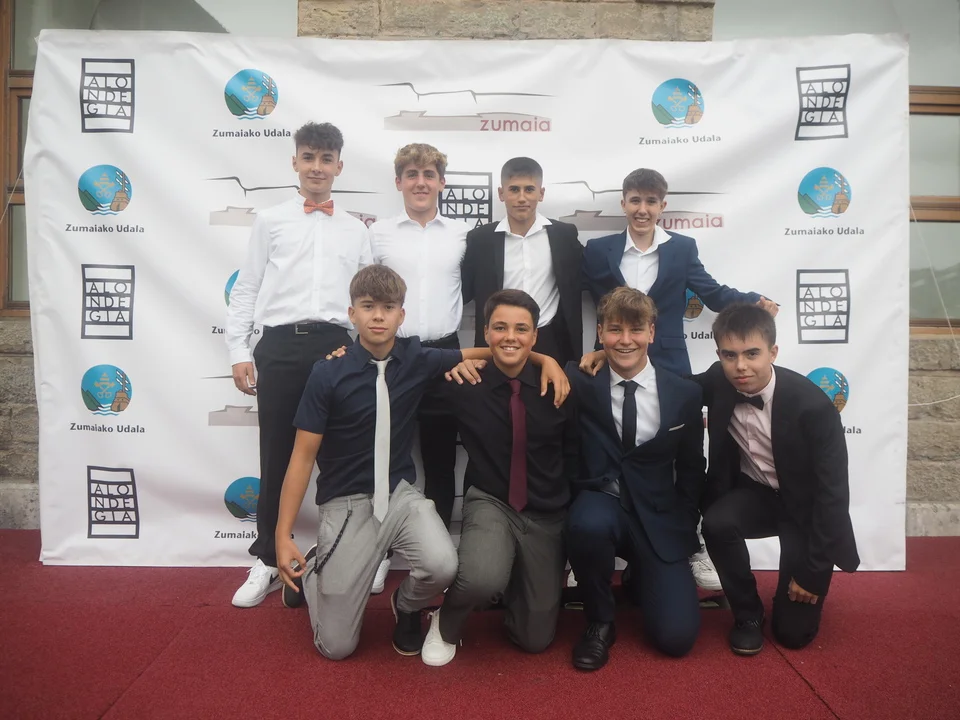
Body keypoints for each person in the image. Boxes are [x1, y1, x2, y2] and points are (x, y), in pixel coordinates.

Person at [275, 265, 570, 660]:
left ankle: (407, 606)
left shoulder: (415, 357)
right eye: (368, 307)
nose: (378, 316)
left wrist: (546, 360)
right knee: (336, 647)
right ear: (351, 314)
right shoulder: (327, 373)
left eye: (388, 307)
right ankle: (316, 574)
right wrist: (283, 534)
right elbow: (301, 457)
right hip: (346, 502)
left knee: (444, 565)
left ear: (402, 315)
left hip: (400, 495)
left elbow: (497, 350)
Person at [581, 167, 778, 592]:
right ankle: (590, 544)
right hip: (613, 358)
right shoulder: (597, 250)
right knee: (611, 448)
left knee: (680, 456)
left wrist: (753, 302)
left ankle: (690, 541)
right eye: (635, 200)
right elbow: (569, 291)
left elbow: (712, 292)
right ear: (623, 203)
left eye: (651, 201)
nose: (642, 209)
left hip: (668, 363)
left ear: (662, 206)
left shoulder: (682, 248)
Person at [225, 122, 372, 608]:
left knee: (339, 458)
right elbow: (247, 287)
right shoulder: (270, 221)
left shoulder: (356, 229)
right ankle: (268, 557)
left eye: (326, 159)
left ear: (339, 166)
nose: (317, 167)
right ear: (295, 162)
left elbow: (365, 298)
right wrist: (238, 350)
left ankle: (339, 555)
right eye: (308, 157)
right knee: (277, 455)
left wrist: (361, 351)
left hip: (336, 348)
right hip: (280, 347)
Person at [420, 290, 577, 667]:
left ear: (535, 336)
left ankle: (517, 589)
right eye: (500, 327)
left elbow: (610, 367)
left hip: (546, 511)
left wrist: (549, 360)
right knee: (481, 579)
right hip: (492, 500)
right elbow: (401, 365)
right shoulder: (463, 381)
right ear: (486, 332)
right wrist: (343, 354)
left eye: (521, 329)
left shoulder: (559, 384)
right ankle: (445, 622)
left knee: (534, 640)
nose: (510, 337)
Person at [693, 303, 859, 656]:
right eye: (730, 355)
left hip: (807, 511)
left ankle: (796, 588)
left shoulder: (813, 407)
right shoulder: (718, 380)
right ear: (719, 355)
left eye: (752, 353)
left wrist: (813, 573)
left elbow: (832, 495)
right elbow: (670, 385)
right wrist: (605, 357)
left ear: (773, 352)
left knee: (793, 635)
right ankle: (747, 614)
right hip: (758, 497)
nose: (741, 366)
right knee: (717, 523)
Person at [565, 287, 705, 671]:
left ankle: (639, 576)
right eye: (615, 330)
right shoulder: (579, 381)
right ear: (600, 333)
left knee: (676, 639)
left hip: (657, 514)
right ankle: (599, 621)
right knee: (587, 524)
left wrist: (685, 521)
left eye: (636, 330)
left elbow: (692, 467)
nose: (625, 340)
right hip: (602, 501)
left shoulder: (685, 393)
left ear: (652, 333)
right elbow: (524, 360)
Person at [370, 143, 470, 530]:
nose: (421, 182)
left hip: (446, 357)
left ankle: (437, 546)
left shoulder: (462, 235)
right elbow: (364, 296)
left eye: (429, 175)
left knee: (440, 460)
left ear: (442, 183)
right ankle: (378, 547)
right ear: (399, 182)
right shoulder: (378, 234)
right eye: (412, 174)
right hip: (392, 355)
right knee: (385, 456)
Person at [462, 157, 583, 367]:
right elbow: (462, 291)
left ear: (541, 193)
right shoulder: (480, 239)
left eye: (529, 189)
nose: (521, 198)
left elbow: (587, 277)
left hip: (551, 340)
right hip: (499, 342)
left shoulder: (564, 236)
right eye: (514, 189)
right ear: (501, 193)